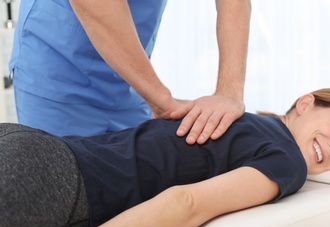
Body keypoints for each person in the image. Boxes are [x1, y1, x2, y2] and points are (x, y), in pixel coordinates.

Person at [0, 88, 330, 227]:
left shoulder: (233, 115)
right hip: (62, 184)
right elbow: (187, 202)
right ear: (306, 103)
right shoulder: (286, 159)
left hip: (35, 145)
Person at [9, 0, 251, 145]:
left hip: (129, 82)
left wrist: (229, 92)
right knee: (68, 200)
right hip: (57, 71)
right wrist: (161, 99)